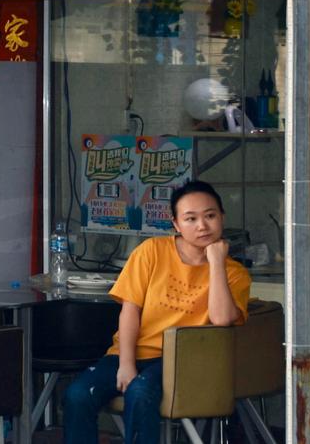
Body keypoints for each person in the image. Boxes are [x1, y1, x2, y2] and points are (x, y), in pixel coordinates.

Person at [63, 180, 250, 444]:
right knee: (78, 395)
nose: (202, 226)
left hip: (184, 361)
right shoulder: (151, 251)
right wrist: (126, 364)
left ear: (222, 217)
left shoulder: (235, 273)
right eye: (191, 218)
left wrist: (217, 263)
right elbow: (130, 311)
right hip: (131, 352)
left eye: (210, 216)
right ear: (176, 224)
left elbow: (221, 319)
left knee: (140, 393)